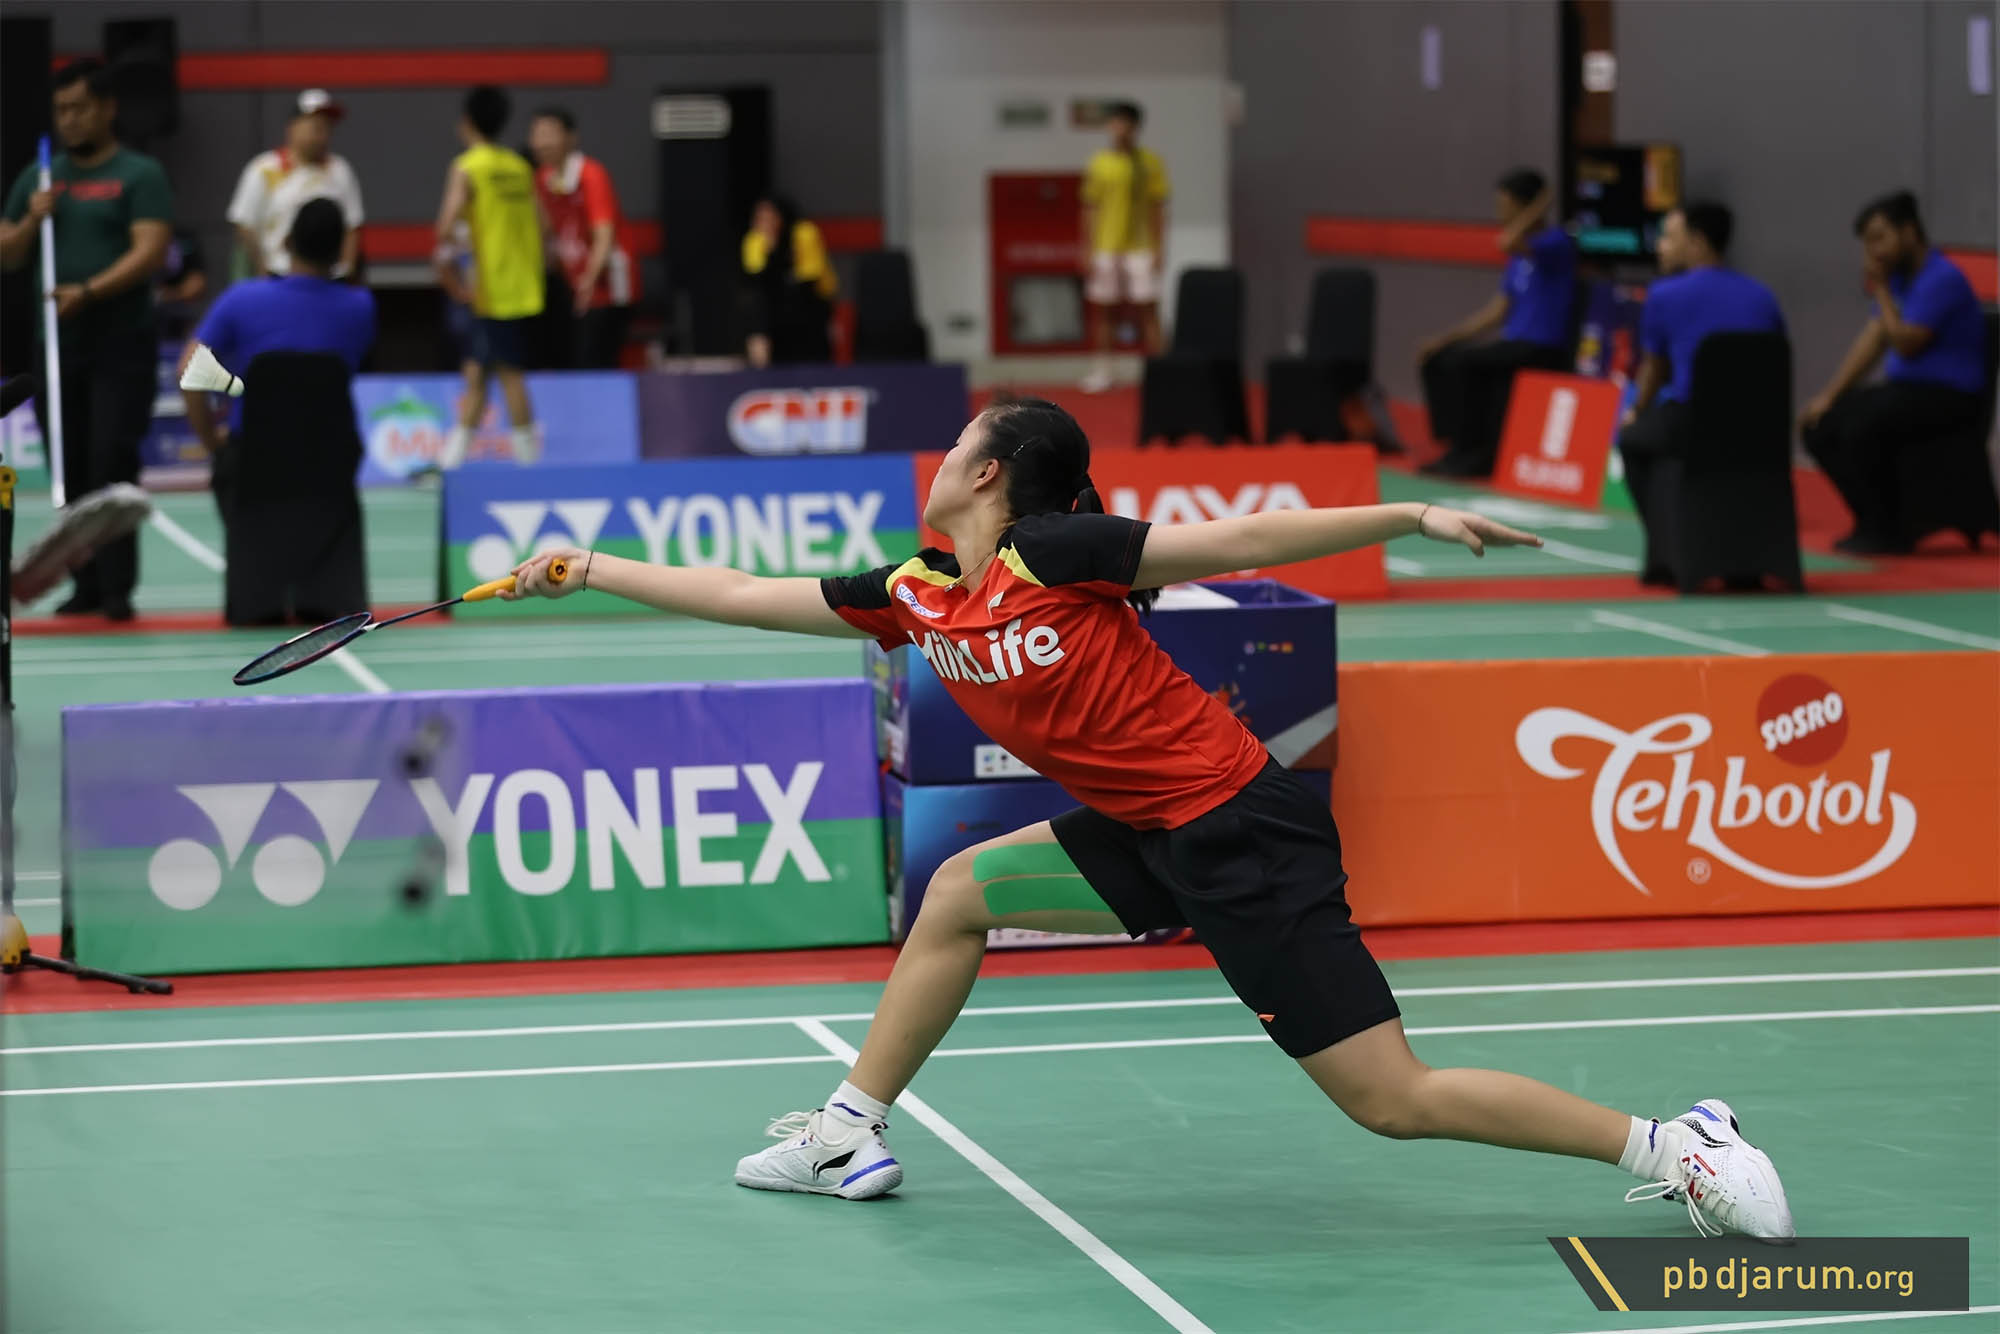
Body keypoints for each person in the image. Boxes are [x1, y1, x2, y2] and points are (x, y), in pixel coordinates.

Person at [501, 396, 1797, 1244]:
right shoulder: (916, 590)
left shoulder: (1054, 555)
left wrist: (1410, 511)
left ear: (989, 472)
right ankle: (847, 1129)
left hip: (1239, 827)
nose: (937, 456)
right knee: (956, 892)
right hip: (1141, 828)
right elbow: (743, 592)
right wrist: (589, 567)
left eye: (956, 443)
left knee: (1389, 1098)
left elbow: (1235, 539)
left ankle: (1674, 1143)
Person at [0, 58, 173, 622]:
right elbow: (8, 254)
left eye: (80, 108)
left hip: (120, 343)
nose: (70, 120)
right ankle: (85, 585)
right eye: (62, 110)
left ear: (107, 108)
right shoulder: (39, 177)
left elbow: (150, 251)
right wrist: (31, 220)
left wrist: (90, 291)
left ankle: (118, 589)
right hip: (57, 344)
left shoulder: (139, 173)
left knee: (110, 460)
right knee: (69, 462)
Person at [1801, 191, 1989, 554]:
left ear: (1909, 232)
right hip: (1906, 392)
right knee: (1821, 425)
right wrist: (1829, 395)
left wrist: (1883, 290)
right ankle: (1874, 520)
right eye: (1867, 243)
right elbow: (1873, 340)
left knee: (1862, 426)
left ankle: (1888, 529)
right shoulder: (1902, 279)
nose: (1874, 251)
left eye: (1879, 238)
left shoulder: (1942, 278)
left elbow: (1905, 343)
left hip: (1949, 396)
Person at [1617, 202, 1786, 583]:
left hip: (1695, 424)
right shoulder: (1762, 295)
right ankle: (1743, 561)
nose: (1660, 246)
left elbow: (1654, 369)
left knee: (1634, 440)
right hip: (1760, 431)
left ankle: (1669, 556)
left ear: (1697, 242)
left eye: (1668, 237)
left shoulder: (1664, 294)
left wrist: (1637, 410)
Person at [182, 199, 375, 469]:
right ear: (340, 251)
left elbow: (188, 371)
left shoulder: (240, 299)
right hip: (329, 467)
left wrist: (213, 445)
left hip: (252, 464)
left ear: (286, 243)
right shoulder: (361, 307)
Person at [1418, 168, 1577, 477]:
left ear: (1526, 207)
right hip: (1511, 343)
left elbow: (1507, 241)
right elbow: (1496, 311)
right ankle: (1456, 446)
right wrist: (1446, 338)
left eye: (1505, 205)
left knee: (1464, 364)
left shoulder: (1556, 243)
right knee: (1440, 358)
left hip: (1541, 346)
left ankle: (1474, 454)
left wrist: (1542, 204)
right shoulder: (1519, 258)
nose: (1499, 213)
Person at [434, 84, 543, 469]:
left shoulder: (468, 167)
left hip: (487, 288)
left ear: (466, 122)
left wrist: (453, 262)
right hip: (522, 285)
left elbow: (446, 226)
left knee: (507, 373)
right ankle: (451, 462)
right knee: (478, 371)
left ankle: (529, 463)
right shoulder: (519, 167)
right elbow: (543, 225)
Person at [529, 106, 638, 370]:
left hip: (608, 284)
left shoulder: (591, 174)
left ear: (570, 138)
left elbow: (604, 235)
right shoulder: (541, 179)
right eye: (537, 134)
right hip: (573, 285)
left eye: (549, 134)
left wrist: (588, 282)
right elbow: (546, 232)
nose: (542, 142)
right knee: (570, 358)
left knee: (596, 359)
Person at [1079, 101, 1170, 394]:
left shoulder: (1150, 163)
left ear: (1135, 127)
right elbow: (1090, 207)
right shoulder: (1099, 163)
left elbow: (1158, 207)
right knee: (1104, 311)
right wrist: (1087, 248)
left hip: (1141, 246)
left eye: (1125, 123)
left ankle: (1162, 374)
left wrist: (1159, 247)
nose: (1120, 129)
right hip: (1106, 246)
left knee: (1149, 310)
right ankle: (1104, 372)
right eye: (1115, 123)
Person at [227, 89, 364, 279]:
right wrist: (263, 271)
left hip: (328, 279)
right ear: (293, 126)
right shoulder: (264, 168)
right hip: (278, 275)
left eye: (328, 127)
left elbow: (352, 225)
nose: (323, 134)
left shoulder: (339, 170)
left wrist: (346, 271)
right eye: (316, 126)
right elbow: (244, 224)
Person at [741, 196, 837, 367]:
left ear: (782, 216)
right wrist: (771, 249)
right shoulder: (754, 239)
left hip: (810, 302)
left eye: (771, 217)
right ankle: (763, 368)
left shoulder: (804, 232)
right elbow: (758, 279)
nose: (766, 223)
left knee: (798, 313)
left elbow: (809, 281)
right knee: (756, 310)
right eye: (761, 219)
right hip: (774, 307)